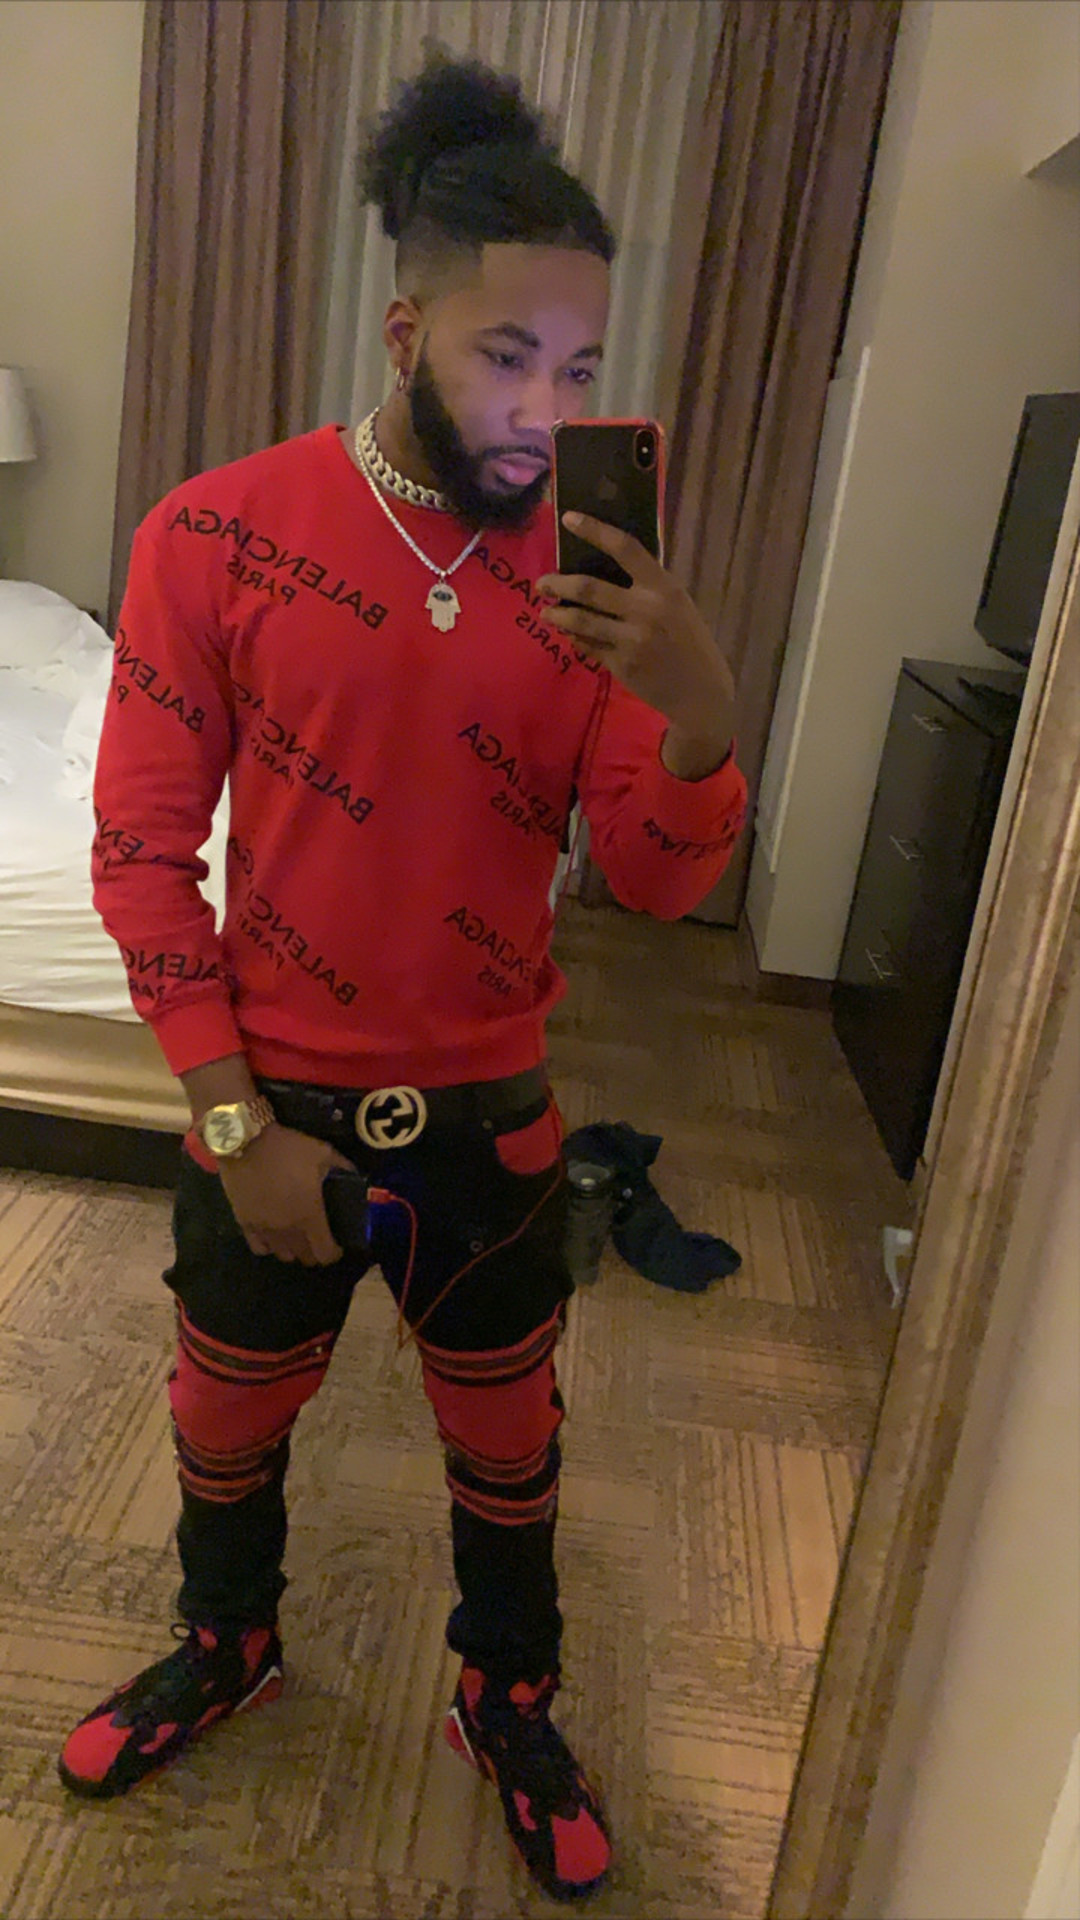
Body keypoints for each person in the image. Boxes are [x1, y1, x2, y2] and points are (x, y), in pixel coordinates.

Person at [58, 50, 747, 1904]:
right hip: (267, 1102)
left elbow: (659, 883)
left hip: (493, 1123)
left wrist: (698, 712)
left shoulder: (597, 581)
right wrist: (231, 1124)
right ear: (402, 331)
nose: (543, 409)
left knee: (510, 1440)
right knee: (223, 1417)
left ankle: (505, 1698)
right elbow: (139, 856)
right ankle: (230, 1645)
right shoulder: (214, 532)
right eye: (505, 355)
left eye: (579, 371)